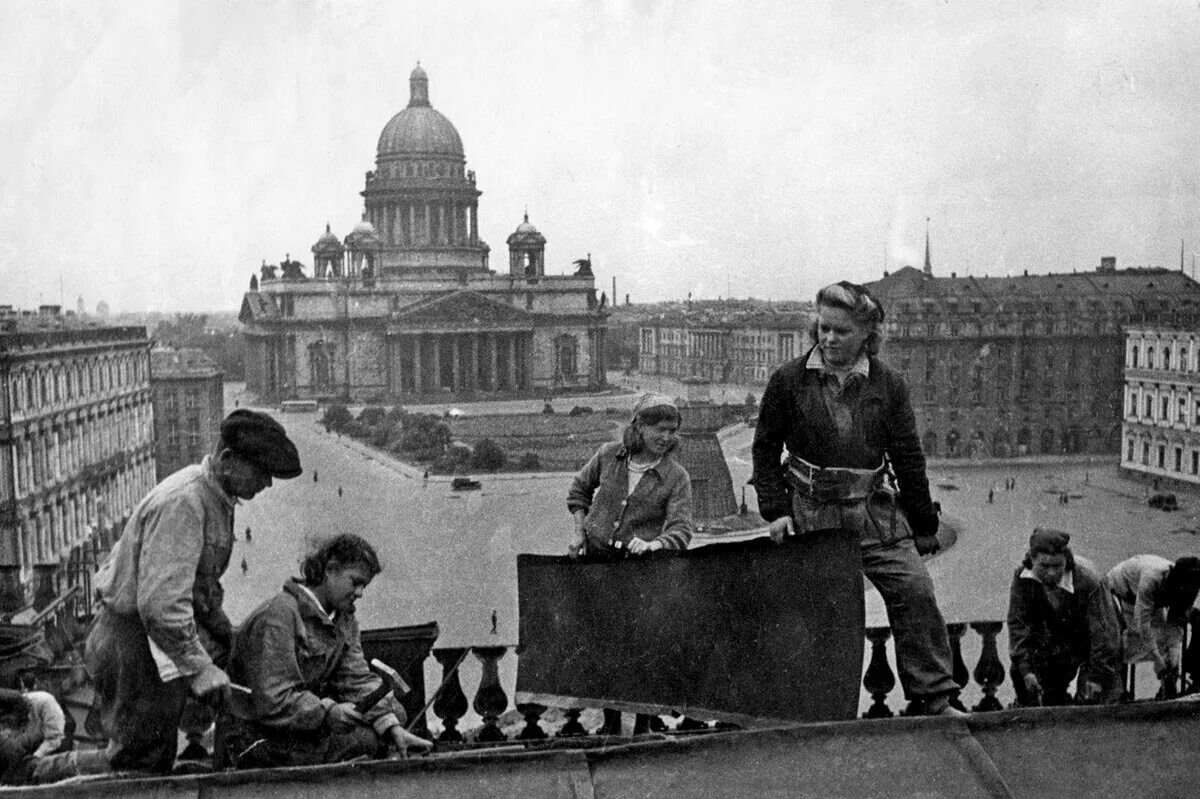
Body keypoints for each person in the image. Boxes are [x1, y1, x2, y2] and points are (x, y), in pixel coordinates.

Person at [37, 410, 302, 780]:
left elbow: (200, 589)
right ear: (227, 461)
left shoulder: (217, 498)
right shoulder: (186, 501)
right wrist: (200, 667)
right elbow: (161, 605)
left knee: (150, 758)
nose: (267, 484)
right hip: (133, 643)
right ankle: (33, 776)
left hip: (153, 642)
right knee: (137, 763)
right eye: (260, 471)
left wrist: (228, 637)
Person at [750, 280, 963, 716]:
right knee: (822, 613)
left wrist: (923, 526)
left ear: (867, 333)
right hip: (812, 516)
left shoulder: (888, 385)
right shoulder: (788, 381)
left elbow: (908, 457)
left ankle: (935, 698)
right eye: (823, 328)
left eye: (841, 331)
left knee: (916, 591)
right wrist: (775, 512)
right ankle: (820, 709)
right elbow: (764, 449)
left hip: (873, 515)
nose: (828, 339)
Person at [216, 534, 432, 768]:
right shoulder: (280, 616)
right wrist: (328, 711)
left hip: (295, 729)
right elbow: (274, 700)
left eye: (364, 586)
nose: (360, 593)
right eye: (355, 582)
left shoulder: (343, 619)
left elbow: (356, 680)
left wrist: (391, 725)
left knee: (390, 722)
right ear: (330, 570)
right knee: (367, 741)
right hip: (253, 736)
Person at [566, 393, 694, 733]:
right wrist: (579, 532)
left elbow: (682, 529)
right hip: (598, 566)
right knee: (605, 647)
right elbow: (579, 490)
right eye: (658, 429)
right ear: (638, 427)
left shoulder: (676, 476)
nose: (666, 437)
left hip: (642, 574)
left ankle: (642, 727)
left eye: (672, 430)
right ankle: (609, 724)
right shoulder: (609, 456)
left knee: (642, 651)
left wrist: (655, 544)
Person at [1006, 529, 1121, 706]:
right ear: (1031, 561)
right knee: (1029, 683)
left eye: (1057, 566)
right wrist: (1026, 669)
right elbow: (1018, 624)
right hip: (1059, 642)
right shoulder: (1022, 578)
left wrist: (1096, 677)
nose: (1051, 573)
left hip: (1096, 648)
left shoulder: (1088, 580)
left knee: (1095, 704)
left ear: (1067, 560)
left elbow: (1105, 635)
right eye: (1044, 566)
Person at [1107, 554, 1200, 697]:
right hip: (1119, 592)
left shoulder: (1191, 587)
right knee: (1119, 643)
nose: (1191, 589)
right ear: (1178, 581)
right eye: (1187, 585)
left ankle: (1167, 689)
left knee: (1164, 646)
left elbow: (1175, 626)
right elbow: (1142, 624)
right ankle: (1117, 691)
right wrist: (1157, 659)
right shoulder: (1152, 578)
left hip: (1150, 602)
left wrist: (1173, 657)